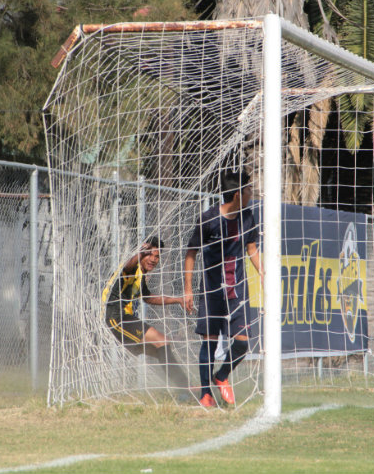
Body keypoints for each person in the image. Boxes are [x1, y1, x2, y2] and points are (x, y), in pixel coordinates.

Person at [184, 170, 263, 407]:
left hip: (236, 292)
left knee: (242, 343)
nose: (252, 192)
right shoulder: (208, 218)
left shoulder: (248, 217)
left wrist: (265, 272)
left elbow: (252, 249)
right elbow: (191, 253)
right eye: (249, 189)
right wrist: (188, 289)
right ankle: (205, 393)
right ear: (238, 194)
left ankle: (222, 376)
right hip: (211, 292)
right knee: (209, 342)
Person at [103, 236, 193, 397]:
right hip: (117, 319)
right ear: (142, 255)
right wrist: (139, 254)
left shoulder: (141, 275)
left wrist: (178, 299)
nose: (153, 259)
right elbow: (128, 266)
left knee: (161, 350)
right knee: (162, 341)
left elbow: (148, 297)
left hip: (124, 319)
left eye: (157, 256)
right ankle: (185, 388)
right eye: (149, 254)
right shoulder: (132, 269)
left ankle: (184, 390)